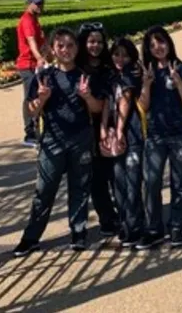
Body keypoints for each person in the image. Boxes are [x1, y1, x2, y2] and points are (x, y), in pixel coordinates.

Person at [13, 28, 106, 256]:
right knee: (44, 190)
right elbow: (31, 112)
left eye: (70, 45)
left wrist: (86, 96)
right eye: (61, 46)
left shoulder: (85, 76)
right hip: (53, 141)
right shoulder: (44, 77)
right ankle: (31, 236)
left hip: (80, 139)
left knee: (79, 189)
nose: (66, 50)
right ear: (53, 49)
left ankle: (78, 232)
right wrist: (41, 99)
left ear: (77, 48)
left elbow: (98, 107)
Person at [136, 27, 182, 250]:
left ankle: (176, 226)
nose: (157, 48)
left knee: (179, 183)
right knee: (151, 183)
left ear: (169, 43)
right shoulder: (146, 71)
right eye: (152, 45)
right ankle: (154, 228)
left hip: (180, 134)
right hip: (155, 135)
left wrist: (178, 81)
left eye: (160, 42)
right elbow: (143, 106)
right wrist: (147, 84)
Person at [77, 23, 121, 239]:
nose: (95, 46)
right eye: (91, 41)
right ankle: (106, 218)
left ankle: (122, 214)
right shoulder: (77, 68)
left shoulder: (107, 69)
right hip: (83, 128)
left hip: (105, 126)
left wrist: (106, 127)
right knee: (95, 179)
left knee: (113, 173)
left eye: (99, 42)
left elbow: (107, 100)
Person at [106, 37, 145, 247]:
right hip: (116, 134)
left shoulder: (131, 74)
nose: (120, 58)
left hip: (132, 133)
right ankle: (126, 223)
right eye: (116, 54)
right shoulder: (112, 75)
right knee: (118, 181)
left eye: (124, 54)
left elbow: (126, 100)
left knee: (132, 182)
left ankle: (134, 226)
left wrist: (119, 130)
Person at [17, 0, 48, 146]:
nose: (40, 6)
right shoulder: (27, 20)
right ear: (29, 4)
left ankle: (36, 130)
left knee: (38, 96)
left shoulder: (35, 20)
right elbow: (31, 42)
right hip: (27, 64)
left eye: (41, 3)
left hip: (33, 64)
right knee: (30, 98)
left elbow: (42, 42)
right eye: (36, 3)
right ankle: (30, 133)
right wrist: (39, 58)